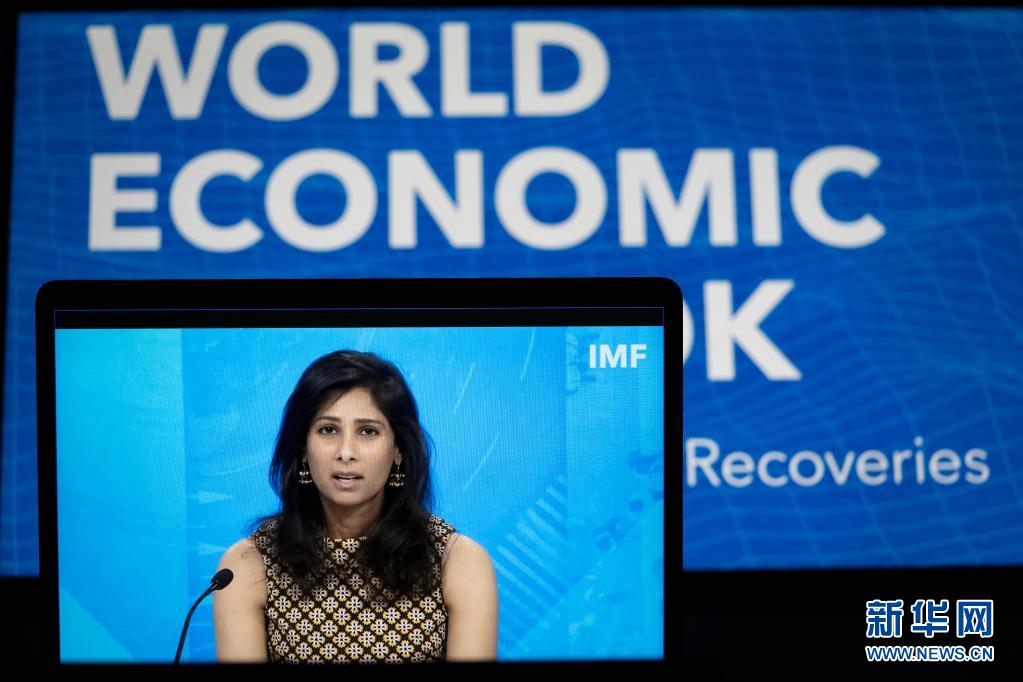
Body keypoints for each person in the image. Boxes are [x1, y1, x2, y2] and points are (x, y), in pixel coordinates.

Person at [213, 350, 498, 663]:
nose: (346, 452)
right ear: (303, 448)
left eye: (368, 431)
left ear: (398, 450)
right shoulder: (247, 566)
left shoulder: (457, 562)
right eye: (328, 430)